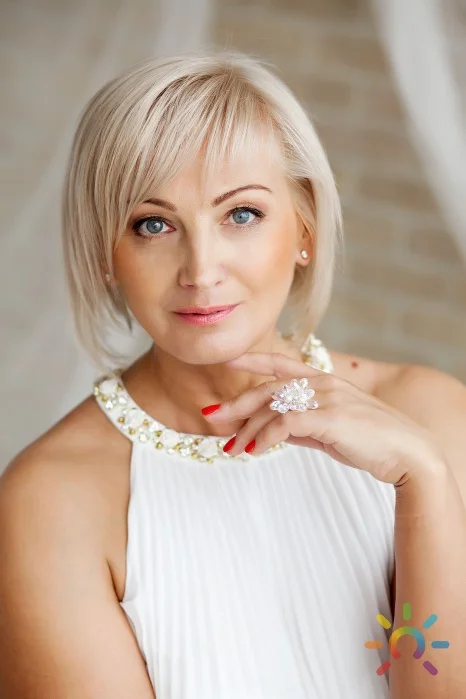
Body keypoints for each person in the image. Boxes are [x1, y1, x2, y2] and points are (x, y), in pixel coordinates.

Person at [0, 49, 465, 699]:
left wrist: (427, 482)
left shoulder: (435, 417)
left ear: (304, 226)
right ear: (106, 251)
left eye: (241, 214)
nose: (201, 269)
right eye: (153, 224)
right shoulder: (49, 503)